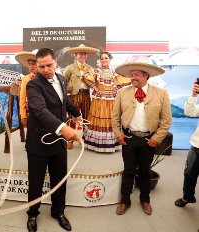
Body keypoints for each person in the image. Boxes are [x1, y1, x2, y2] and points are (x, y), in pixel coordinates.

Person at [25, 48, 82, 232]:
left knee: (59, 179)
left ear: (56, 62)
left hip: (58, 143)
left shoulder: (62, 79)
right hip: (39, 142)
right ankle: (33, 214)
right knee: (36, 182)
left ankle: (58, 212)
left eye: (49, 65)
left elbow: (64, 101)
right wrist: (63, 128)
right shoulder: (33, 85)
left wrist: (77, 114)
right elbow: (40, 110)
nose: (46, 69)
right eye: (41, 66)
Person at [112, 61, 172, 215]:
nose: (133, 77)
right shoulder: (122, 92)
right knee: (128, 171)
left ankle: (145, 200)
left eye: (136, 74)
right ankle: (125, 200)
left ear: (146, 75)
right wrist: (118, 134)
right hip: (129, 138)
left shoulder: (161, 93)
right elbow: (115, 117)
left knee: (145, 171)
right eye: (131, 75)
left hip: (149, 140)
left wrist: (157, 138)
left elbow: (166, 120)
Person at [83, 51, 131, 152]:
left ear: (109, 59)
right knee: (98, 120)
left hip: (111, 100)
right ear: (100, 61)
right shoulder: (96, 70)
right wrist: (94, 87)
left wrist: (116, 88)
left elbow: (124, 81)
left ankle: (110, 143)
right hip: (99, 99)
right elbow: (86, 77)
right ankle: (96, 144)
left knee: (111, 120)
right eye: (102, 59)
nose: (104, 60)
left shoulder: (114, 72)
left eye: (106, 58)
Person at [63, 44, 99, 149]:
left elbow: (94, 81)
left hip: (86, 94)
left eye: (84, 54)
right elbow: (63, 82)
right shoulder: (69, 68)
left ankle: (86, 139)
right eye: (80, 54)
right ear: (75, 55)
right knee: (72, 117)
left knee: (87, 117)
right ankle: (70, 139)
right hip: (74, 95)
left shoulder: (90, 68)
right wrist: (67, 91)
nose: (82, 56)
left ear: (86, 56)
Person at [174, 80, 199, 208]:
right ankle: (187, 197)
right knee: (189, 173)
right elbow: (189, 112)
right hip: (197, 145)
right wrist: (194, 95)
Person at [15, 50, 38, 127]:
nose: (31, 66)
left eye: (33, 64)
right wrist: (23, 115)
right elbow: (22, 98)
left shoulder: (46, 77)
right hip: (31, 111)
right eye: (29, 64)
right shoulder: (26, 79)